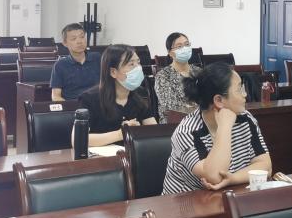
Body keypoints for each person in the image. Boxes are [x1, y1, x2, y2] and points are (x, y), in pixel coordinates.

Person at [162, 62, 271, 194]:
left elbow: (266, 166)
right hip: (186, 202)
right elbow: (214, 177)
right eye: (239, 89)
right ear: (219, 100)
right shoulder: (187, 132)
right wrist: (225, 126)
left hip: (226, 197)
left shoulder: (245, 118)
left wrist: (233, 179)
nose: (245, 94)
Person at [79, 44, 156, 147]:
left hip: (133, 154)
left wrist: (139, 131)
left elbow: (154, 131)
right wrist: (121, 134)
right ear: (113, 72)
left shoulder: (140, 94)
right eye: (131, 64)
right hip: (101, 155)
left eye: (138, 63)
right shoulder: (89, 98)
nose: (138, 68)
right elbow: (79, 138)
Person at [154, 32, 201, 120]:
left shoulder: (199, 72)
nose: (184, 48)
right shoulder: (163, 76)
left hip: (201, 118)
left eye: (187, 45)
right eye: (179, 46)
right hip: (174, 122)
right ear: (170, 52)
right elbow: (171, 107)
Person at [50, 23, 99, 101]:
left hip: (97, 103)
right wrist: (68, 106)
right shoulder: (60, 65)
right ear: (65, 43)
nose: (79, 41)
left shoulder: (97, 58)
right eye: (73, 39)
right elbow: (55, 96)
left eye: (82, 37)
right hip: (73, 105)